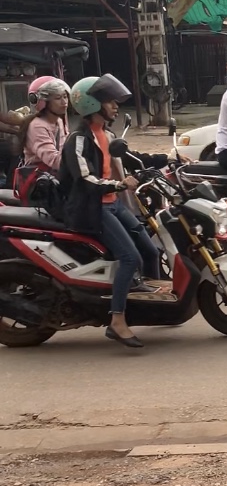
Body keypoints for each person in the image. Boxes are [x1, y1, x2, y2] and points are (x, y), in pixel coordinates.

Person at [61, 75, 164, 348]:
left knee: (151, 250)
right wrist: (119, 185)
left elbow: (132, 158)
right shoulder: (78, 140)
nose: (115, 106)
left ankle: (150, 306)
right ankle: (117, 320)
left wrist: (168, 160)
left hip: (113, 203)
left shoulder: (107, 134)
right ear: (92, 104)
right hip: (93, 208)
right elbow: (85, 180)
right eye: (109, 101)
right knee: (129, 258)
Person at [20, 76, 70, 172]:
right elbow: (54, 161)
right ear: (43, 102)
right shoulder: (37, 126)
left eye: (65, 96)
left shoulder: (59, 121)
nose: (64, 102)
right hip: (42, 178)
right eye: (58, 98)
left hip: (57, 175)